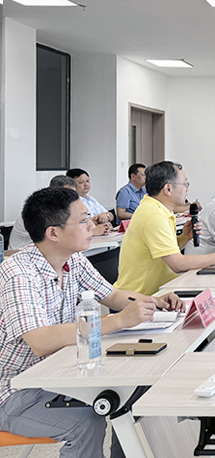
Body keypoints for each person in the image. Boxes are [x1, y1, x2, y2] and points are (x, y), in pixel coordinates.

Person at [0, 187, 184, 458]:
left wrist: (153, 301)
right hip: (17, 390)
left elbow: (112, 295)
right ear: (53, 233)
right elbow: (40, 340)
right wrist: (118, 321)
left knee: (136, 390)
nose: (92, 226)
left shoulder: (73, 260)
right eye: (83, 220)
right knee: (85, 424)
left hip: (60, 373)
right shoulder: (18, 272)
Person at [115, 161, 215, 295]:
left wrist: (185, 237)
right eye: (185, 184)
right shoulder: (154, 215)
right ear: (168, 189)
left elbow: (165, 252)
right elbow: (178, 264)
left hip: (162, 291)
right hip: (140, 297)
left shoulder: (160, 210)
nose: (187, 189)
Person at [9, 176, 79, 251]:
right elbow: (59, 237)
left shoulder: (59, 210)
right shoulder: (38, 211)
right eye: (67, 194)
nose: (72, 198)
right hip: (21, 252)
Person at [65, 168, 113, 236]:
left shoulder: (91, 200)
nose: (86, 184)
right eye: (81, 182)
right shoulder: (72, 202)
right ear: (71, 185)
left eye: (87, 181)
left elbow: (111, 215)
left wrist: (106, 216)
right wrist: (97, 221)